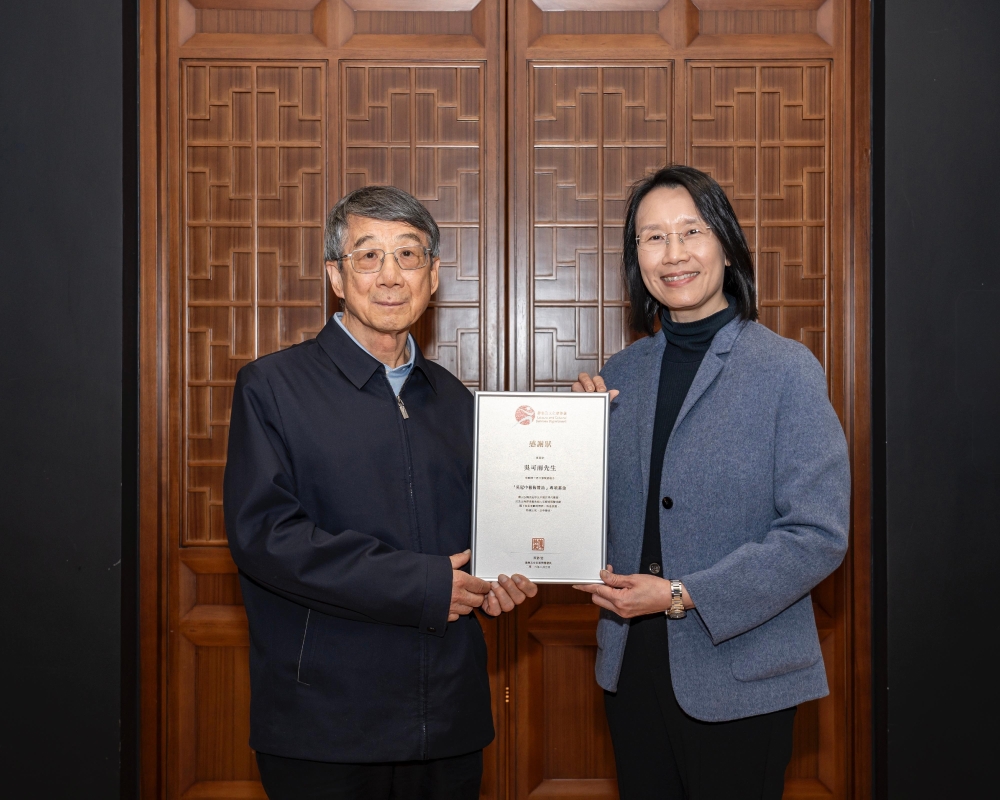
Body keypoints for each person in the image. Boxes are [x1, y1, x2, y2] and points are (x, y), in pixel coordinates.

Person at [223, 185, 537, 800]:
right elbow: (267, 538)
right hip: (325, 725)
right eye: (368, 256)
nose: (390, 276)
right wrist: (422, 584)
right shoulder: (273, 387)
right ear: (336, 277)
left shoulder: (457, 401)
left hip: (447, 722)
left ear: (433, 276)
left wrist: (503, 576)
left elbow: (484, 533)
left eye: (409, 255)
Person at [572, 165, 850, 800]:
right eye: (653, 237)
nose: (673, 254)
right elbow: (604, 515)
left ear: (726, 246)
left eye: (691, 232)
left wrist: (681, 594)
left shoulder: (785, 370)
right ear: (636, 258)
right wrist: (575, 439)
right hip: (632, 667)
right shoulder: (621, 374)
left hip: (742, 673)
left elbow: (818, 535)